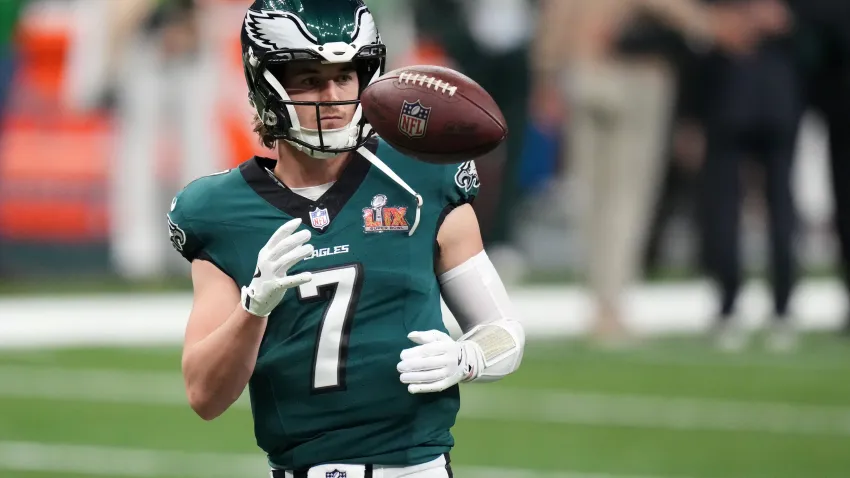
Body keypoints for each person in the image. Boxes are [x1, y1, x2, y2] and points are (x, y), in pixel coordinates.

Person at [167, 1, 525, 476]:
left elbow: (506, 334)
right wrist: (253, 308)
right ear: (264, 82)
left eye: (344, 76)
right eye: (309, 78)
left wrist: (469, 356)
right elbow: (205, 396)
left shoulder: (423, 178)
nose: (332, 94)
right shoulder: (218, 210)